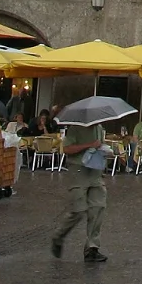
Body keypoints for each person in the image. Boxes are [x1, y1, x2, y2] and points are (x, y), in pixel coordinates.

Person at [50, 113, 111, 263]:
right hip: (79, 171)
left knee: (98, 208)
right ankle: (58, 236)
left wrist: (104, 150)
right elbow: (67, 149)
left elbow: (98, 146)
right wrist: (88, 145)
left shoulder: (99, 128)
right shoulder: (75, 129)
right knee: (78, 211)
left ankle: (92, 248)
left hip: (95, 171)